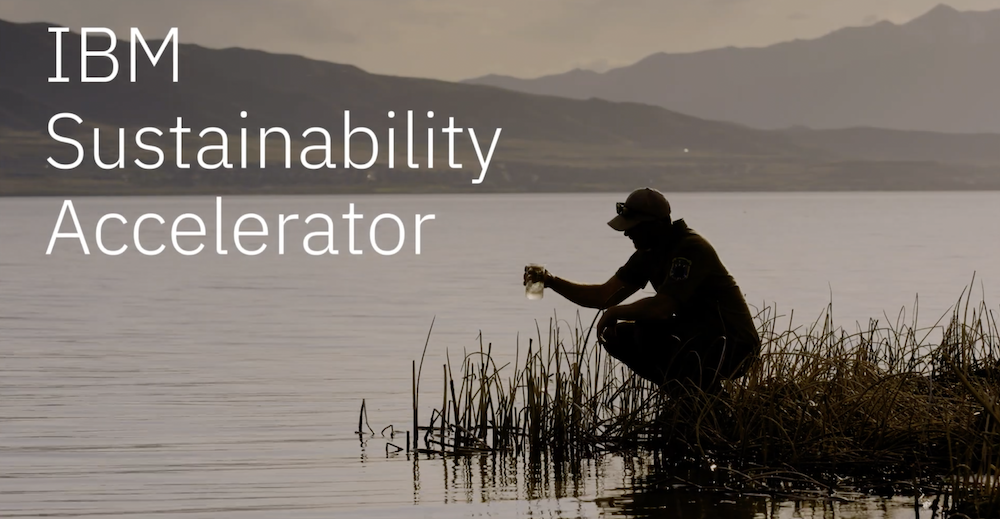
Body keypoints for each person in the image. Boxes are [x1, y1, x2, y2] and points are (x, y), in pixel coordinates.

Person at [523, 187, 760, 390]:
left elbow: (661, 308)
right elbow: (604, 296)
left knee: (647, 329)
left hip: (734, 346)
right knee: (619, 336)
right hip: (699, 336)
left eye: (633, 227)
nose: (626, 233)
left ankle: (704, 399)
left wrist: (615, 312)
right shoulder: (648, 253)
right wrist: (551, 281)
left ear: (654, 226)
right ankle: (687, 395)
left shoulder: (690, 248)